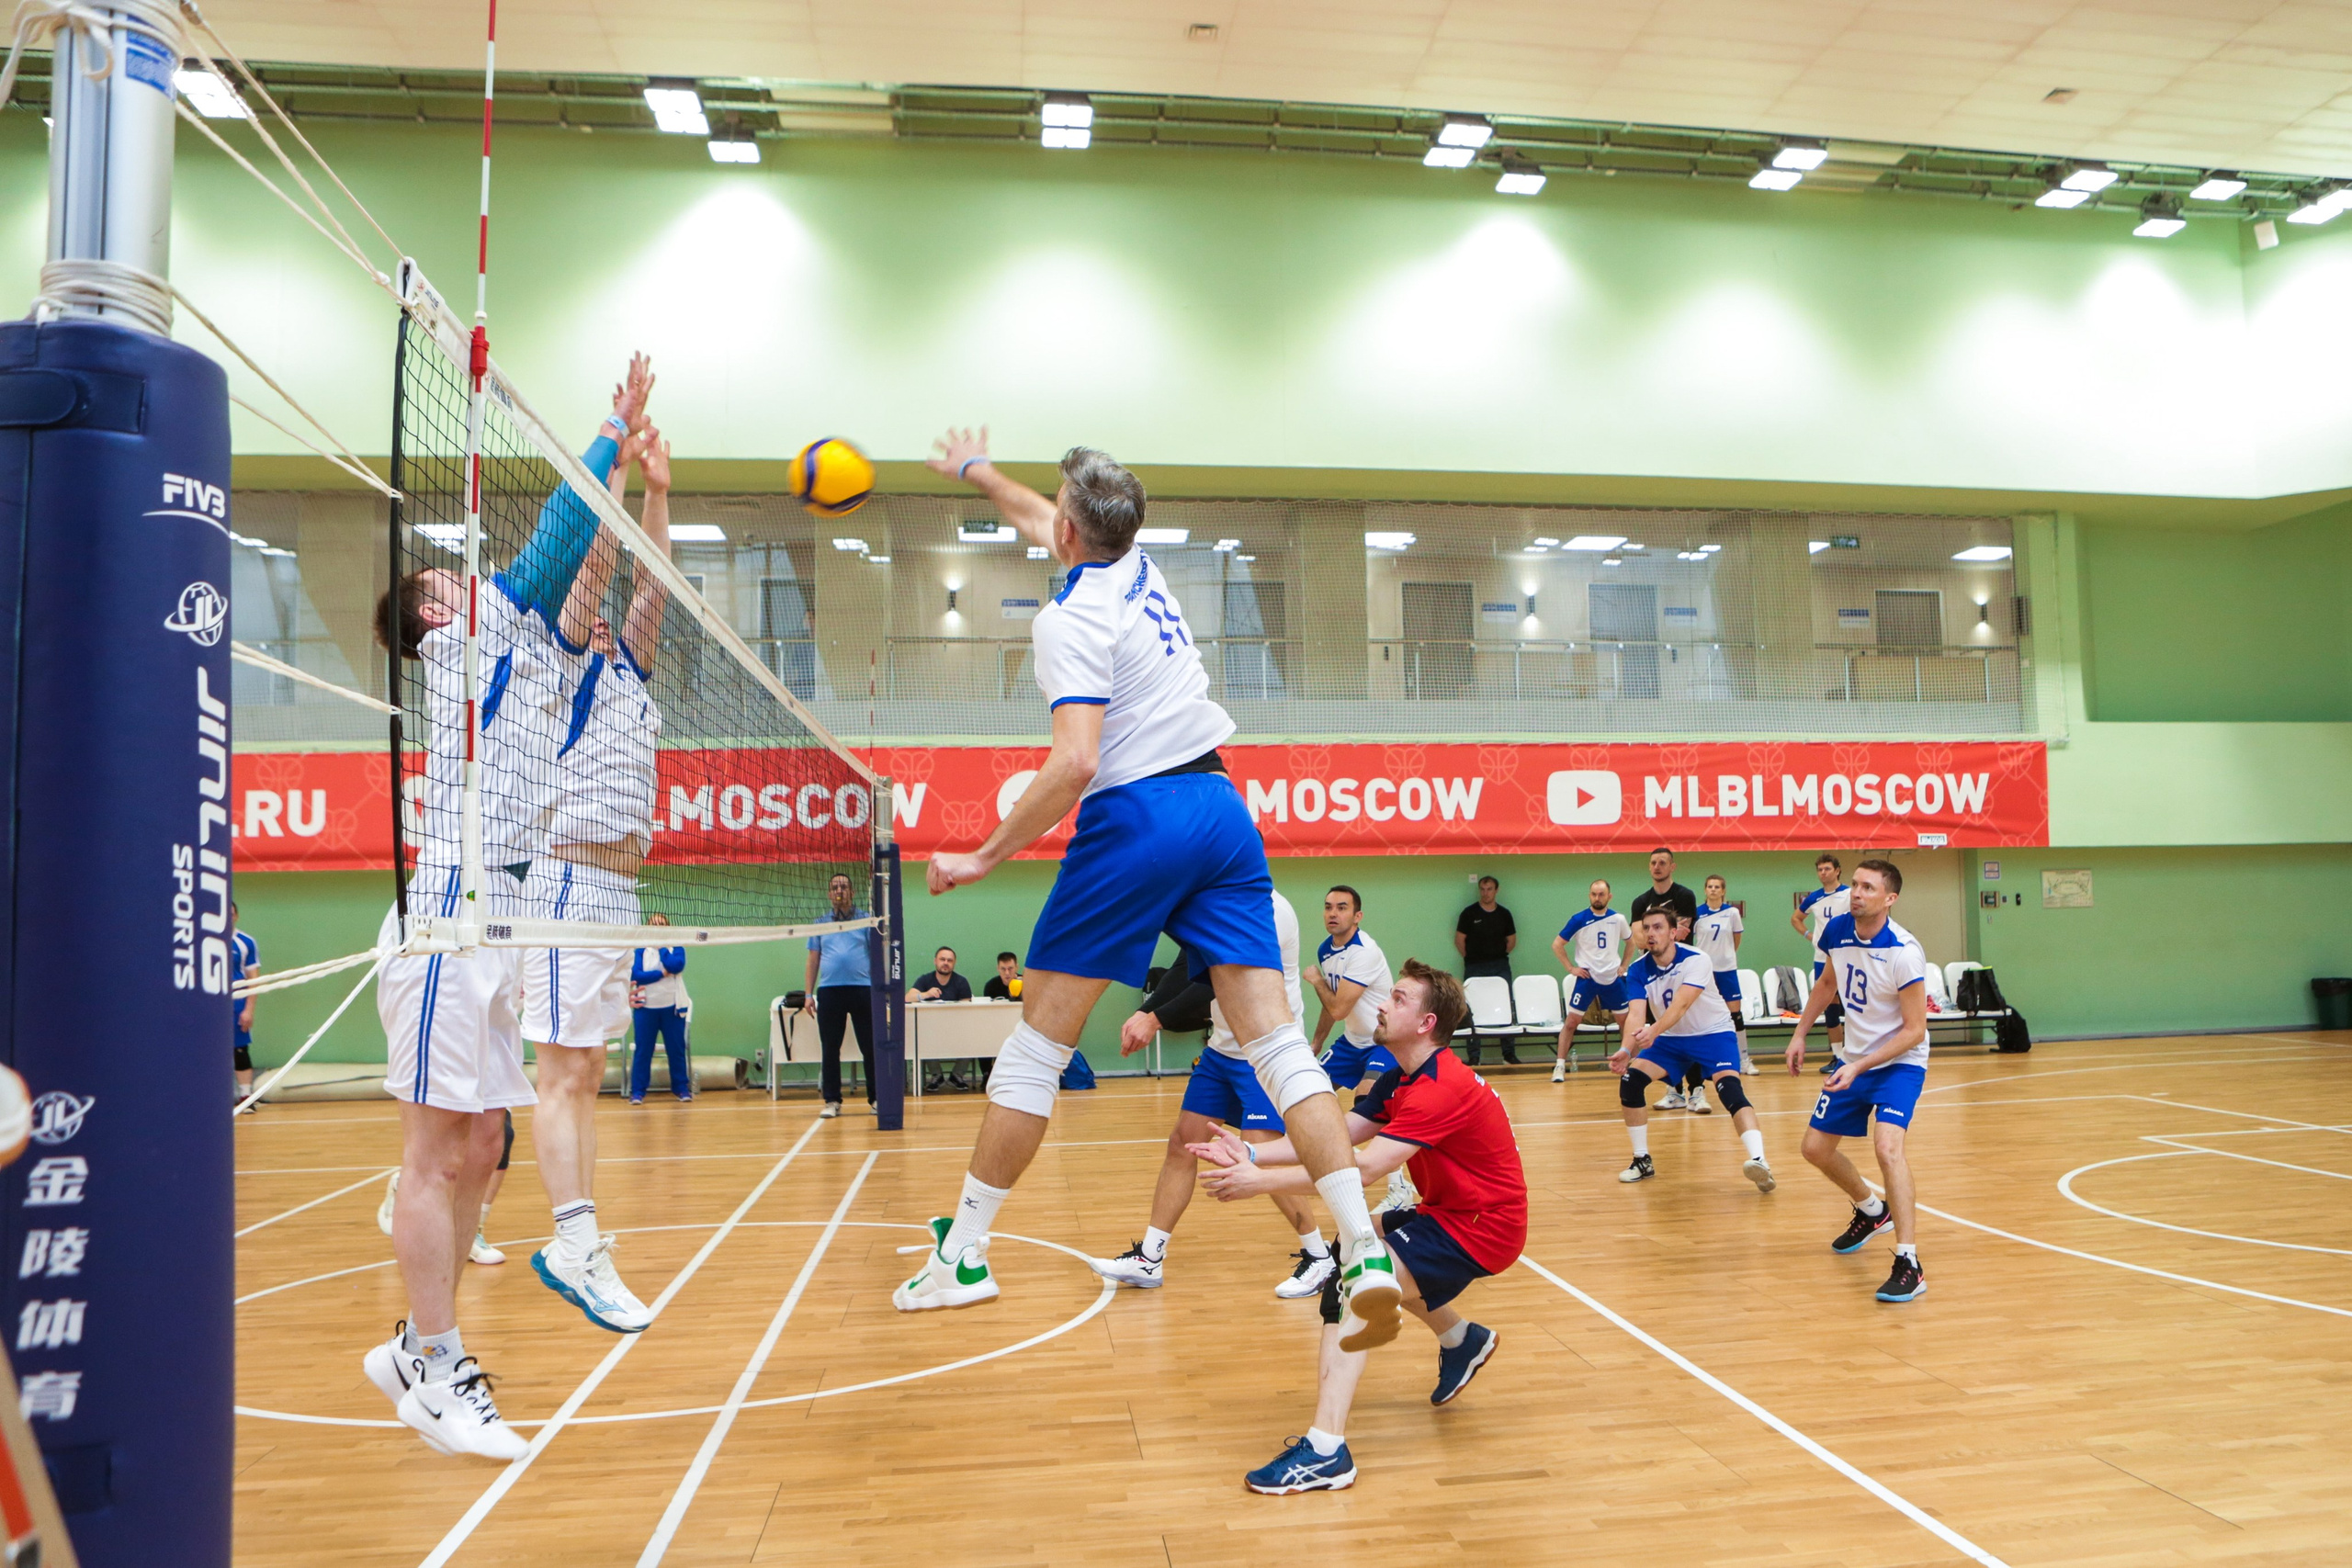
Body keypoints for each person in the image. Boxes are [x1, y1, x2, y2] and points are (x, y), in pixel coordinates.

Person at [894, 432, 1402, 1348]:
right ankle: (1360, 1245)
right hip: (1218, 804)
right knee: (1279, 1044)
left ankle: (962, 1256)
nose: (1046, 516)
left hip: (1137, 817)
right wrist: (974, 473)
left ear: (1071, 535)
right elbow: (1042, 516)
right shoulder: (1139, 564)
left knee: (1036, 1050)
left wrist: (983, 855)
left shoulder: (1068, 621)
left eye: (1056, 509)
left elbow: (1075, 762)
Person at [361, 352, 650, 1457]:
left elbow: (586, 572)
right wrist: (609, 433)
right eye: (443, 575)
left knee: (485, 1144)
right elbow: (555, 545)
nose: (457, 575)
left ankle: (410, 1343)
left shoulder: (522, 648)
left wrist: (632, 485)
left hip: (502, 913)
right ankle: (435, 1369)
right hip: (446, 911)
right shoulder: (464, 642)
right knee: (437, 1157)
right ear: (435, 612)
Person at [1191, 960, 1524, 1494]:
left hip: (1482, 1227)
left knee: (1352, 1281)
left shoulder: (1442, 1087)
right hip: (1449, 1212)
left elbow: (1364, 1168)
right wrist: (1253, 1150)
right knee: (1358, 1237)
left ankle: (1327, 1450)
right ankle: (1461, 1338)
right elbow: (1336, 1135)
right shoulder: (1403, 1076)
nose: (1382, 1004)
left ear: (1425, 1023)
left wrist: (1260, 1182)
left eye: (1397, 998)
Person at [522, 425, 672, 1336]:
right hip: (568, 885)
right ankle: (573, 1239)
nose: (612, 615)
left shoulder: (635, 679)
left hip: (613, 897)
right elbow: (600, 571)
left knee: (585, 1070)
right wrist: (613, 473)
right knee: (565, 1073)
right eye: (599, 610)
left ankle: (575, 1235)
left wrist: (661, 486)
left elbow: (653, 579)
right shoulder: (562, 661)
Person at [1086, 889, 1338, 1299]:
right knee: (1183, 1144)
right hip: (1224, 1049)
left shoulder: (1271, 911)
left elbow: (1217, 980)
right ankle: (1150, 1258)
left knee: (1259, 1148)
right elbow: (1189, 962)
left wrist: (1157, 1018)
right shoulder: (1217, 904)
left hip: (1265, 1050)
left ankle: (1319, 1257)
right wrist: (1148, 1007)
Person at [1788, 859, 1932, 1303]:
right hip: (1855, 1059)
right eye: (1855, 885)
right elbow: (1826, 983)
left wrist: (1860, 1064)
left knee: (1888, 1149)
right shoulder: (1835, 931)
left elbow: (1915, 1030)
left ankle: (1909, 1262)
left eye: (1868, 888)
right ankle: (1873, 1210)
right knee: (1814, 1148)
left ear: (1889, 899)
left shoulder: (1905, 951)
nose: (1856, 893)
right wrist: (1799, 1033)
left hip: (1898, 1063)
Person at [1610, 906, 1775, 1191]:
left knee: (1730, 1091)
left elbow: (1682, 1005)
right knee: (1631, 1080)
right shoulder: (1638, 970)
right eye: (1646, 928)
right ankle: (1642, 1160)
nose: (1651, 934)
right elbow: (1636, 1015)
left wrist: (1653, 1031)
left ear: (1673, 933)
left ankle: (1760, 1162)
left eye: (1658, 927)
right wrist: (1626, 1050)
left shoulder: (1697, 959)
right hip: (1671, 1040)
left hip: (1712, 1034)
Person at [1308, 886, 1414, 1213]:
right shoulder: (1326, 949)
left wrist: (1315, 982)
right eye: (1328, 907)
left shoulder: (1365, 951)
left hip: (1383, 1041)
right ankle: (1345, 1160)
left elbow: (1336, 1005)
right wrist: (1317, 1042)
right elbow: (1334, 1005)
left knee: (1367, 1101)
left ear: (1357, 916)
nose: (1332, 914)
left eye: (1341, 908)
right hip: (1351, 1042)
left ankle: (1399, 1188)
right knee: (1306, 1095)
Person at [1627, 847, 1705, 1110]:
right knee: (1659, 1031)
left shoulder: (1684, 895)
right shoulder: (1640, 902)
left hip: (1683, 972)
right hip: (1654, 975)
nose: (1657, 866)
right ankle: (1675, 1090)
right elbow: (1638, 938)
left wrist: (1655, 936)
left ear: (1672, 866)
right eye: (1653, 863)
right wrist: (1657, 936)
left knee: (1687, 1029)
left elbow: (1681, 932)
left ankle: (1697, 1090)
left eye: (1662, 862)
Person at [803, 872, 876, 1119]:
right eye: (835, 887)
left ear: (852, 893)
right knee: (830, 1048)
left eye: (844, 887)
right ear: (829, 893)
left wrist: (880, 990)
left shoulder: (865, 920)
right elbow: (813, 960)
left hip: (863, 990)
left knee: (870, 1046)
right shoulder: (820, 923)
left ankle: (876, 1098)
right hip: (830, 991)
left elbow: (877, 958)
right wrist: (808, 994)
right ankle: (832, 1100)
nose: (839, 891)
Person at [1549, 879, 1629, 1083]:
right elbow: (1557, 944)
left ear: (1609, 896)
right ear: (1589, 895)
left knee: (1626, 1022)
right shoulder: (1578, 919)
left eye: (1601, 894)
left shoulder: (1618, 919)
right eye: (1594, 894)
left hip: (1612, 978)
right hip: (1588, 978)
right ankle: (1559, 1066)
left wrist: (1625, 965)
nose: (1597, 898)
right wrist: (1571, 968)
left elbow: (1631, 942)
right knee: (1571, 1022)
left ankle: (1629, 1063)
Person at [1792, 852, 1851, 1072]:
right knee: (1830, 1007)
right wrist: (1810, 936)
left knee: (1852, 1004)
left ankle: (1854, 1053)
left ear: (1837, 870)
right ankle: (1837, 1056)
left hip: (1845, 955)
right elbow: (1795, 918)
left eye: (1827, 868)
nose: (1823, 873)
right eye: (1820, 869)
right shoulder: (1814, 898)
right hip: (1821, 958)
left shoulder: (1849, 894)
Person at [1453, 874, 1520, 1066]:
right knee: (1472, 1008)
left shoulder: (1504, 914)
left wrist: (1495, 955)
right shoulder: (1469, 913)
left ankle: (1508, 1054)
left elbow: (1511, 941)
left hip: (1500, 965)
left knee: (1506, 1005)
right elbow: (1459, 941)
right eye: (1482, 889)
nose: (1485, 893)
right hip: (1474, 966)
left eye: (1489, 889)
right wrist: (1473, 958)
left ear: (1496, 891)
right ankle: (1474, 1056)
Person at [628, 913, 690, 1104]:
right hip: (646, 1008)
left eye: (661, 925)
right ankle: (638, 1091)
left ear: (667, 927)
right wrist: (662, 973)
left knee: (676, 1049)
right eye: (654, 925)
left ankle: (681, 1089)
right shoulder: (640, 949)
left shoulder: (675, 947)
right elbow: (636, 975)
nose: (658, 928)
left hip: (671, 1008)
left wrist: (662, 947)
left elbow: (677, 965)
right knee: (643, 1051)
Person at [1694, 875, 1749, 1075]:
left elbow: (1736, 939)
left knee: (1735, 1015)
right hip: (1705, 971)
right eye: (1710, 886)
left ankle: (1743, 1059)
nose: (1714, 890)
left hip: (1726, 969)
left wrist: (1725, 957)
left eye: (1717, 887)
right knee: (1702, 1016)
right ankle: (1705, 1061)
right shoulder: (1697, 913)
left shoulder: (1732, 912)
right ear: (1705, 889)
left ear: (1723, 890)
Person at [230, 901, 259, 1104]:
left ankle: (245, 1096)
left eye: (232, 914)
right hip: (208, 1004)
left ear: (237, 916)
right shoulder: (198, 941)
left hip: (237, 1003)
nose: (228, 917)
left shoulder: (245, 942)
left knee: (240, 1050)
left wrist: (248, 1010)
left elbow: (254, 980)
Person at [909, 946, 974, 1002]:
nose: (946, 963)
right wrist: (926, 994)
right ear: (935, 961)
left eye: (950, 960)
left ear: (954, 963)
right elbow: (908, 998)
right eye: (942, 959)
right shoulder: (925, 979)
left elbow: (966, 1008)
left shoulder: (961, 982)